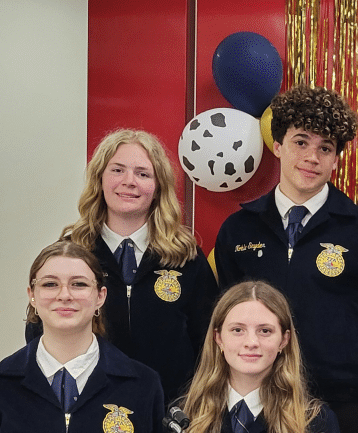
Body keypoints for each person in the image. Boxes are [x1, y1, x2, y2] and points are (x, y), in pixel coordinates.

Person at [214, 85, 358, 433]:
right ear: (279, 145)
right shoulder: (238, 231)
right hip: (258, 400)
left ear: (335, 158)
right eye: (301, 142)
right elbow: (222, 323)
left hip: (344, 405)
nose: (312, 157)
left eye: (325, 148)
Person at [0, 240, 164, 433]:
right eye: (50, 284)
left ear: (100, 296)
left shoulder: (142, 385)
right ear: (32, 296)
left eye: (79, 284)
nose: (64, 295)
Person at [34, 129, 219, 404]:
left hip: (172, 419)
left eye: (143, 174)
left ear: (158, 187)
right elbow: (41, 334)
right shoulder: (71, 255)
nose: (129, 182)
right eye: (117, 170)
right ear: (100, 179)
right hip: (88, 414)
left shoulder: (185, 257)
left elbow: (211, 343)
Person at [175, 281, 338, 433]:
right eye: (238, 330)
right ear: (218, 337)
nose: (251, 342)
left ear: (284, 339)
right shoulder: (182, 420)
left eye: (264, 331)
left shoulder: (314, 421)